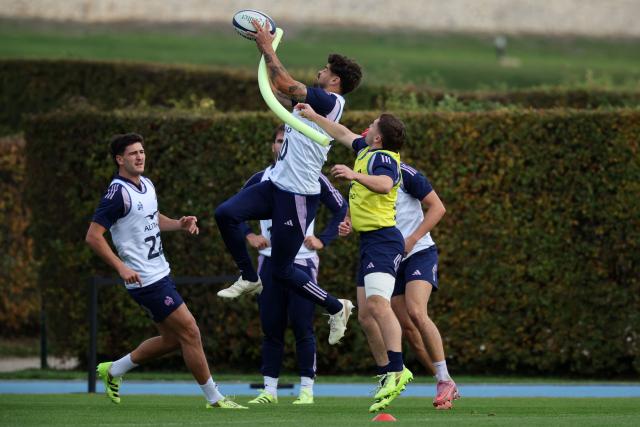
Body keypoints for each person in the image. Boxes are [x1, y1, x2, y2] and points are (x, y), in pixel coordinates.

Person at [214, 20, 362, 345]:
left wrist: (268, 45)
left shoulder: (329, 101)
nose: (319, 72)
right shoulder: (312, 104)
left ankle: (337, 307)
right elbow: (277, 88)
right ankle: (249, 276)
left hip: (297, 194)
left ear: (334, 80)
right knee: (225, 214)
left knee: (282, 270)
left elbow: (283, 82)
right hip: (276, 186)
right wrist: (262, 47)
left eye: (324, 70)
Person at [85, 133, 246, 410]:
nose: (140, 156)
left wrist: (179, 224)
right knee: (191, 331)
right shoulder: (116, 193)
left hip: (161, 272)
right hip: (146, 280)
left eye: (142, 151)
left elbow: (152, 218)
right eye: (133, 153)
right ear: (119, 159)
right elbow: (93, 236)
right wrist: (121, 268)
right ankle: (214, 399)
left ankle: (114, 370)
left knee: (173, 339)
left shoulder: (146, 184)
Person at [296, 104, 412, 413]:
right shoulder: (366, 150)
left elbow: (385, 184)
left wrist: (353, 175)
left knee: (377, 305)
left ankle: (398, 370)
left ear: (378, 138)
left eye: (373, 125)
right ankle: (386, 371)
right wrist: (311, 115)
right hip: (369, 240)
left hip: (384, 241)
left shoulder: (382, 158)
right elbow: (342, 132)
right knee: (364, 315)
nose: (367, 126)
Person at [341, 154, 460, 410]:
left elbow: (438, 207)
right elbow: (358, 204)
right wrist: (348, 220)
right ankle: (424, 379)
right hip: (389, 253)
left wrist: (414, 238)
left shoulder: (405, 173)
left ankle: (443, 379)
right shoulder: (366, 172)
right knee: (402, 325)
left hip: (418, 252)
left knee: (417, 312)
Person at [241, 125, 347, 405]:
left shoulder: (312, 176)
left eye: (285, 141)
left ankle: (306, 391)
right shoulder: (260, 178)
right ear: (272, 145)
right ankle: (269, 391)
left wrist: (324, 238)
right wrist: (250, 235)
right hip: (268, 265)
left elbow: (341, 207)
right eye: (277, 141)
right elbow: (234, 211)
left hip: (302, 264)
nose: (281, 146)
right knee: (271, 327)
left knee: (302, 326)